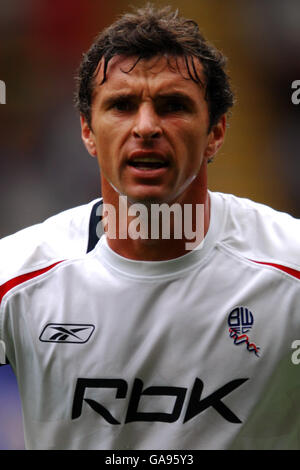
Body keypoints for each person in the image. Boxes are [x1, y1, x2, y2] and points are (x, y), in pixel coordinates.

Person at [0, 4, 300, 450]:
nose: (145, 127)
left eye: (172, 105)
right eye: (121, 106)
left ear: (216, 131)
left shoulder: (289, 266)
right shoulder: (16, 276)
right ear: (86, 131)